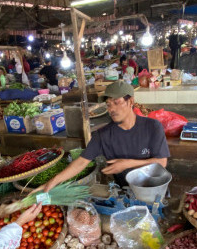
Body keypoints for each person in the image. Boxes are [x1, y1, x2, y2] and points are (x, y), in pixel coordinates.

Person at [36, 81, 170, 189]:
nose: (111, 109)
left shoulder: (152, 127)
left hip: (153, 188)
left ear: (130, 102)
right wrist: (53, 181)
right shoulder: (103, 135)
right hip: (124, 190)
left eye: (116, 102)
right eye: (108, 104)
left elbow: (161, 162)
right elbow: (81, 162)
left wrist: (126, 164)